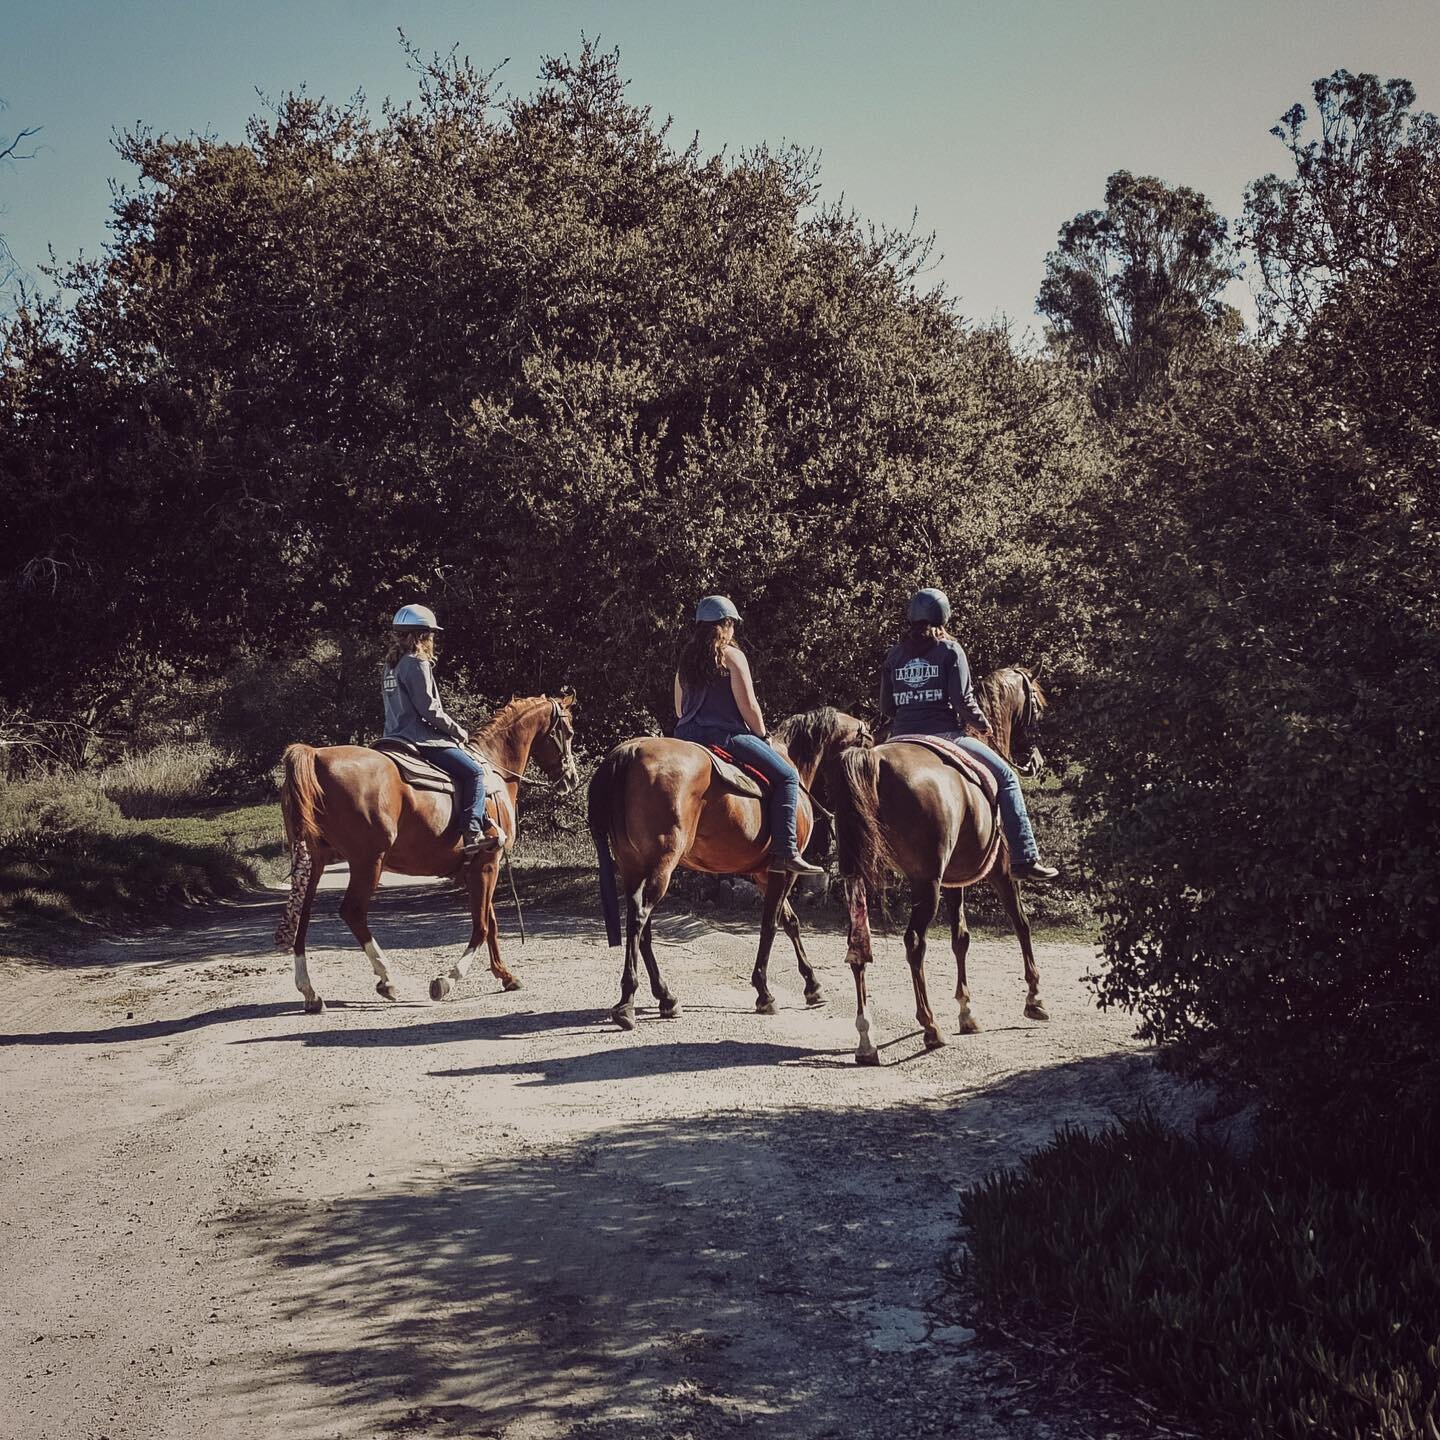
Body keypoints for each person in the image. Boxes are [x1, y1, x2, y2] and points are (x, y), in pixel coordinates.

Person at [879, 588, 1058, 882]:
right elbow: (962, 700)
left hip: (899, 737)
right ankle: (1025, 857)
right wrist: (982, 723)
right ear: (944, 616)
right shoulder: (950, 651)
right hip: (945, 734)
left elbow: (887, 707)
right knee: (1008, 778)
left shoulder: (894, 655)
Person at [673, 595, 823, 875]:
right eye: (732, 625)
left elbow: (680, 709)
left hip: (686, 737)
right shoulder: (731, 656)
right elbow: (749, 706)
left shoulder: (685, 661)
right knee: (788, 776)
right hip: (723, 737)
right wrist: (764, 736)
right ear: (727, 625)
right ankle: (786, 851)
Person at [382, 604, 505, 856]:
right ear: (422, 636)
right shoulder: (416, 662)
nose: (432, 640)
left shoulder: (390, 666)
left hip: (392, 736)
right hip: (420, 739)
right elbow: (429, 709)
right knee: (474, 773)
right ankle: (472, 832)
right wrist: (457, 730)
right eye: (431, 635)